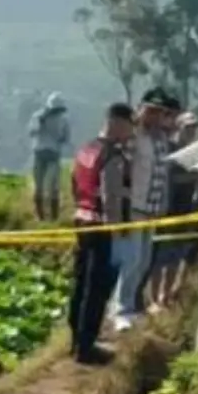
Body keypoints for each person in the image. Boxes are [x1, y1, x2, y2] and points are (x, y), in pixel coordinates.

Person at [67, 103, 133, 365]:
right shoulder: (112, 156)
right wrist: (118, 230)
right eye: (129, 126)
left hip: (81, 220)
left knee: (81, 283)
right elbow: (112, 197)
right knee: (97, 289)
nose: (130, 133)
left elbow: (74, 181)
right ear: (118, 122)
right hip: (101, 227)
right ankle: (86, 347)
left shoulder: (87, 149)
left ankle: (75, 340)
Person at [112, 87, 178, 331]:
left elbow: (162, 176)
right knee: (131, 260)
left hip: (153, 209)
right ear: (142, 110)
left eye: (159, 112)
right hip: (134, 207)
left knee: (144, 262)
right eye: (150, 111)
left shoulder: (161, 140)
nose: (155, 117)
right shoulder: (133, 136)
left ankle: (131, 306)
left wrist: (162, 206)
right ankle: (121, 311)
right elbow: (122, 169)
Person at [149, 112, 198, 311]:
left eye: (193, 128)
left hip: (185, 210)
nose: (191, 131)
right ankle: (154, 298)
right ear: (179, 128)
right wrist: (193, 176)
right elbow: (169, 178)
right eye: (187, 127)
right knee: (160, 258)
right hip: (166, 210)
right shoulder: (170, 151)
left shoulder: (194, 152)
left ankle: (165, 297)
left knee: (175, 256)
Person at [28, 92, 70, 221]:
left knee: (49, 186)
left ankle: (49, 216)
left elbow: (31, 132)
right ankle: (44, 216)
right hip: (47, 153)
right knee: (43, 186)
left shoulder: (61, 119)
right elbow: (65, 138)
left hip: (45, 153)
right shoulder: (40, 117)